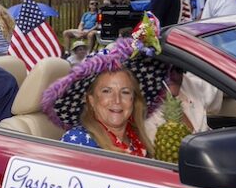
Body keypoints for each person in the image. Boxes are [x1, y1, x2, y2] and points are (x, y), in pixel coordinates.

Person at [42, 23, 168, 158]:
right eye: (106, 91)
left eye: (125, 92)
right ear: (91, 100)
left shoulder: (136, 136)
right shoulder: (79, 142)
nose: (117, 100)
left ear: (133, 99)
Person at [145, 66, 222, 140]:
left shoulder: (190, 86)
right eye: (164, 70)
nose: (174, 76)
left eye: (178, 70)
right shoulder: (142, 110)